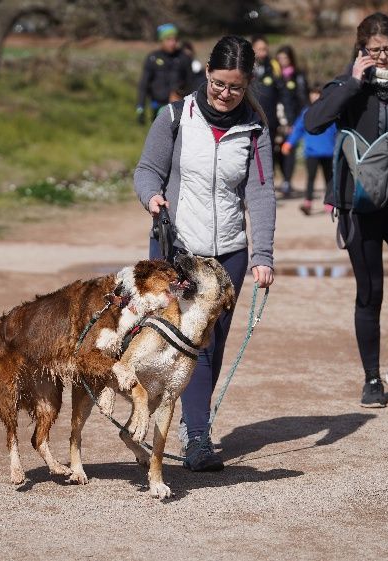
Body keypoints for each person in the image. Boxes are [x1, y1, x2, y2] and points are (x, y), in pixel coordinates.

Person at [134, 35, 276, 471]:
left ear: (247, 82)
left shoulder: (254, 128)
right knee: (190, 345)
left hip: (229, 254)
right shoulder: (175, 116)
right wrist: (152, 197)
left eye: (235, 86)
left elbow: (261, 193)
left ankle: (189, 422)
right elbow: (147, 171)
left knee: (211, 346)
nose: (225, 94)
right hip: (179, 249)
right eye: (218, 83)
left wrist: (262, 255)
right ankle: (197, 437)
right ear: (207, 74)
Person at [304, 12, 388, 409]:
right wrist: (352, 82)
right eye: (374, 50)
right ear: (361, 50)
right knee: (370, 294)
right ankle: (371, 379)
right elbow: (314, 123)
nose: (382, 57)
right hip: (358, 204)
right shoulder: (348, 85)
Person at [281, 84, 337, 215]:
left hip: (329, 151)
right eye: (313, 93)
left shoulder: (331, 111)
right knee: (310, 177)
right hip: (312, 151)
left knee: (329, 178)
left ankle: (329, 202)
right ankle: (308, 202)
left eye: (318, 93)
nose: (315, 96)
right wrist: (289, 143)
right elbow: (298, 128)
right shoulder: (306, 112)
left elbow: (338, 130)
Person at [136, 23, 192, 124]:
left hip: (179, 107)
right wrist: (141, 107)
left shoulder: (184, 58)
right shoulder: (152, 58)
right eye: (169, 39)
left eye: (175, 39)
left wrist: (180, 94)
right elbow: (144, 84)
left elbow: (191, 82)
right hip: (158, 106)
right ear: (161, 40)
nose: (172, 43)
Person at [251, 35, 285, 194]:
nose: (263, 53)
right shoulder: (246, 66)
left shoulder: (274, 66)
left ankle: (266, 189)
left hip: (269, 120)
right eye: (259, 49)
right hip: (249, 118)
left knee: (267, 154)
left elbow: (282, 91)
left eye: (265, 49)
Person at [275, 44, 309, 198]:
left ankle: (287, 181)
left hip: (293, 120)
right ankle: (283, 180)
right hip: (277, 120)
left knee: (289, 150)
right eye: (280, 58)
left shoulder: (298, 76)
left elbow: (303, 99)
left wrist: (297, 122)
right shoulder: (275, 76)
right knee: (278, 151)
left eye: (285, 58)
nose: (282, 61)